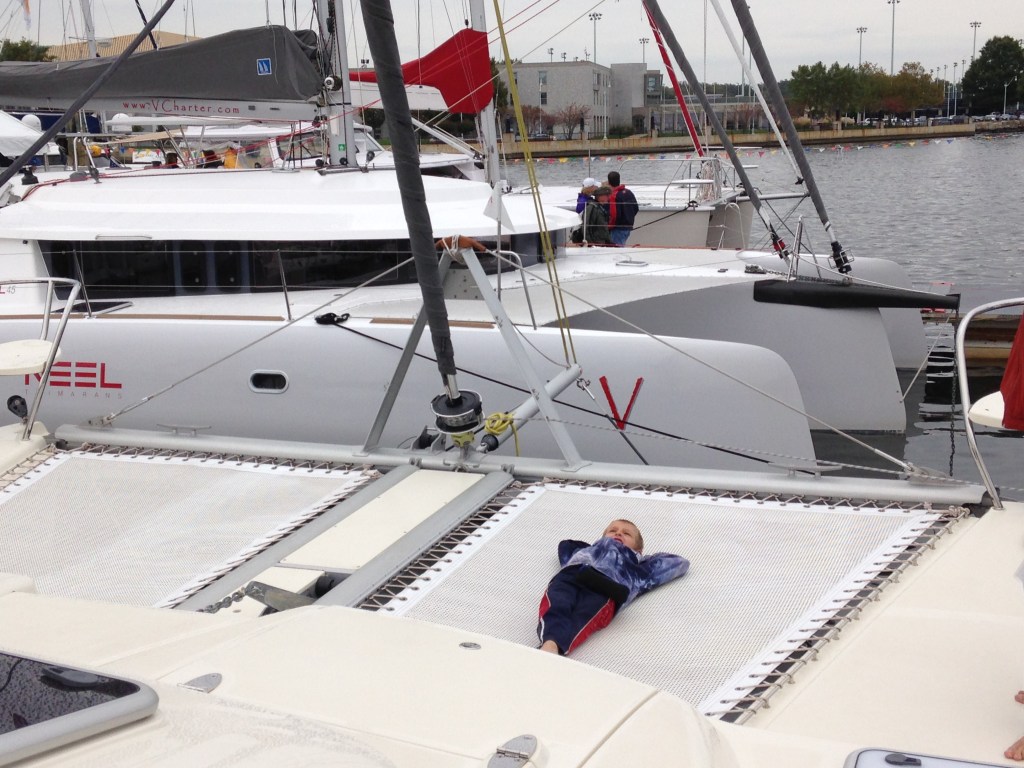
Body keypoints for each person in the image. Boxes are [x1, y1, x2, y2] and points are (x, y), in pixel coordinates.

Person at [537, 519, 688, 656]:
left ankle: (554, 648)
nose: (618, 533)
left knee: (583, 615)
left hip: (607, 587)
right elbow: (566, 545)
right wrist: (598, 545)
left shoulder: (640, 569)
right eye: (612, 531)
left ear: (639, 549)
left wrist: (640, 558)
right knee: (557, 604)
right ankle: (549, 643)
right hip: (573, 575)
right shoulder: (585, 551)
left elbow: (679, 563)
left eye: (627, 533)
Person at [606, 170, 639, 246]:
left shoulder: (614, 196)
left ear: (608, 182)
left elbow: (614, 215)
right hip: (628, 226)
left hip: (618, 228)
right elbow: (636, 208)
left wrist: (609, 227)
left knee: (616, 249)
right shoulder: (628, 192)